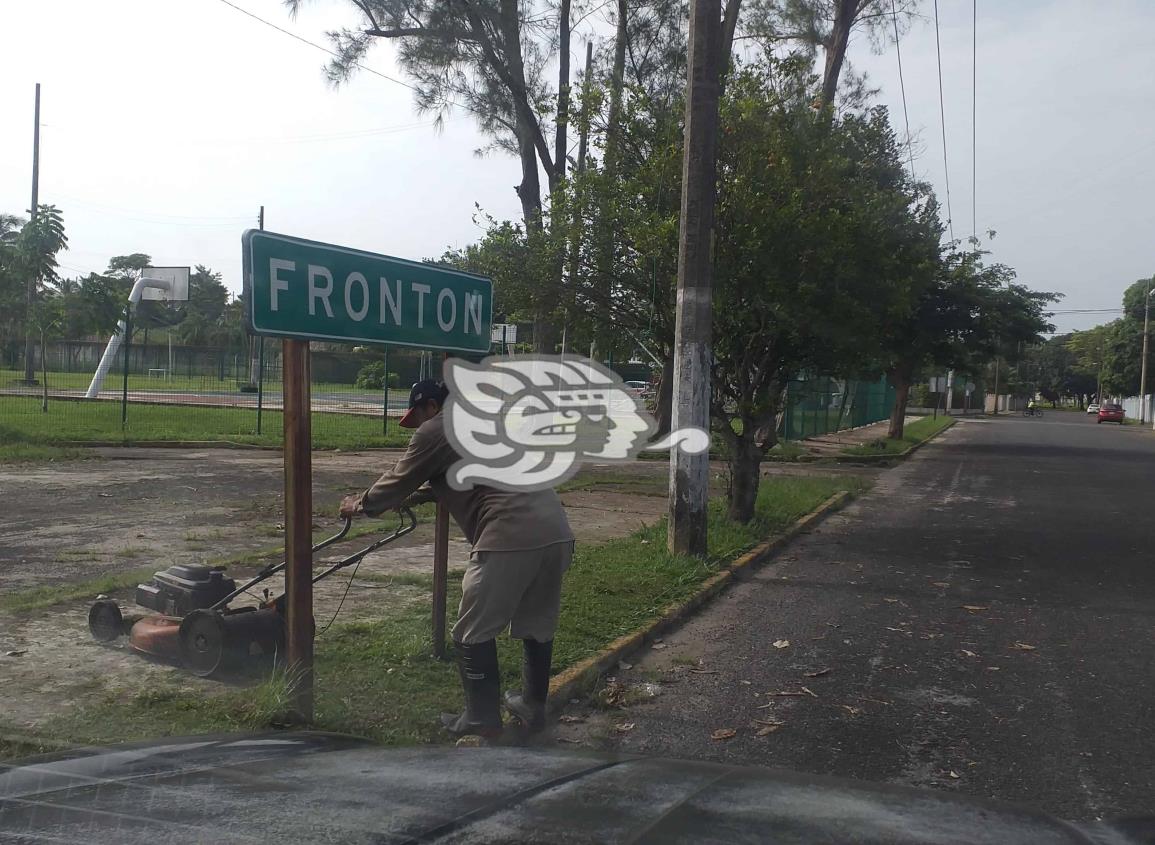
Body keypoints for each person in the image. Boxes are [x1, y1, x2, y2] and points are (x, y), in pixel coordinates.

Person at [340, 379, 574, 738]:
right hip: (555, 528)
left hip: (509, 533)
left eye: (416, 417)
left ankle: (480, 717)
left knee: (471, 631)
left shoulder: (436, 428)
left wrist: (362, 503)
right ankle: (533, 705)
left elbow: (400, 478)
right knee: (537, 622)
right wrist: (419, 498)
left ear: (431, 407)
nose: (415, 427)